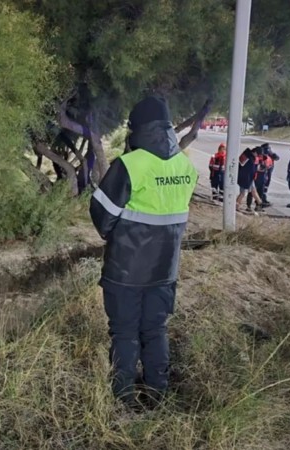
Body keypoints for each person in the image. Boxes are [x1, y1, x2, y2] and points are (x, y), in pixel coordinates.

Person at [90, 96, 197, 408]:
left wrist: (116, 237)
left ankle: (123, 398)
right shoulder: (185, 166)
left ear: (135, 128)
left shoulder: (129, 164)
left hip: (125, 270)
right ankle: (156, 393)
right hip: (165, 271)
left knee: (124, 333)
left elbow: (102, 215)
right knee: (155, 330)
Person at [236, 148, 262, 212]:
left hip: (249, 178)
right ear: (255, 152)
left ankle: (260, 203)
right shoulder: (249, 158)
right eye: (258, 154)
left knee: (253, 191)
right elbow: (248, 170)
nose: (257, 156)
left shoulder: (250, 157)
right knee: (243, 193)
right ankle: (236, 206)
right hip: (245, 178)